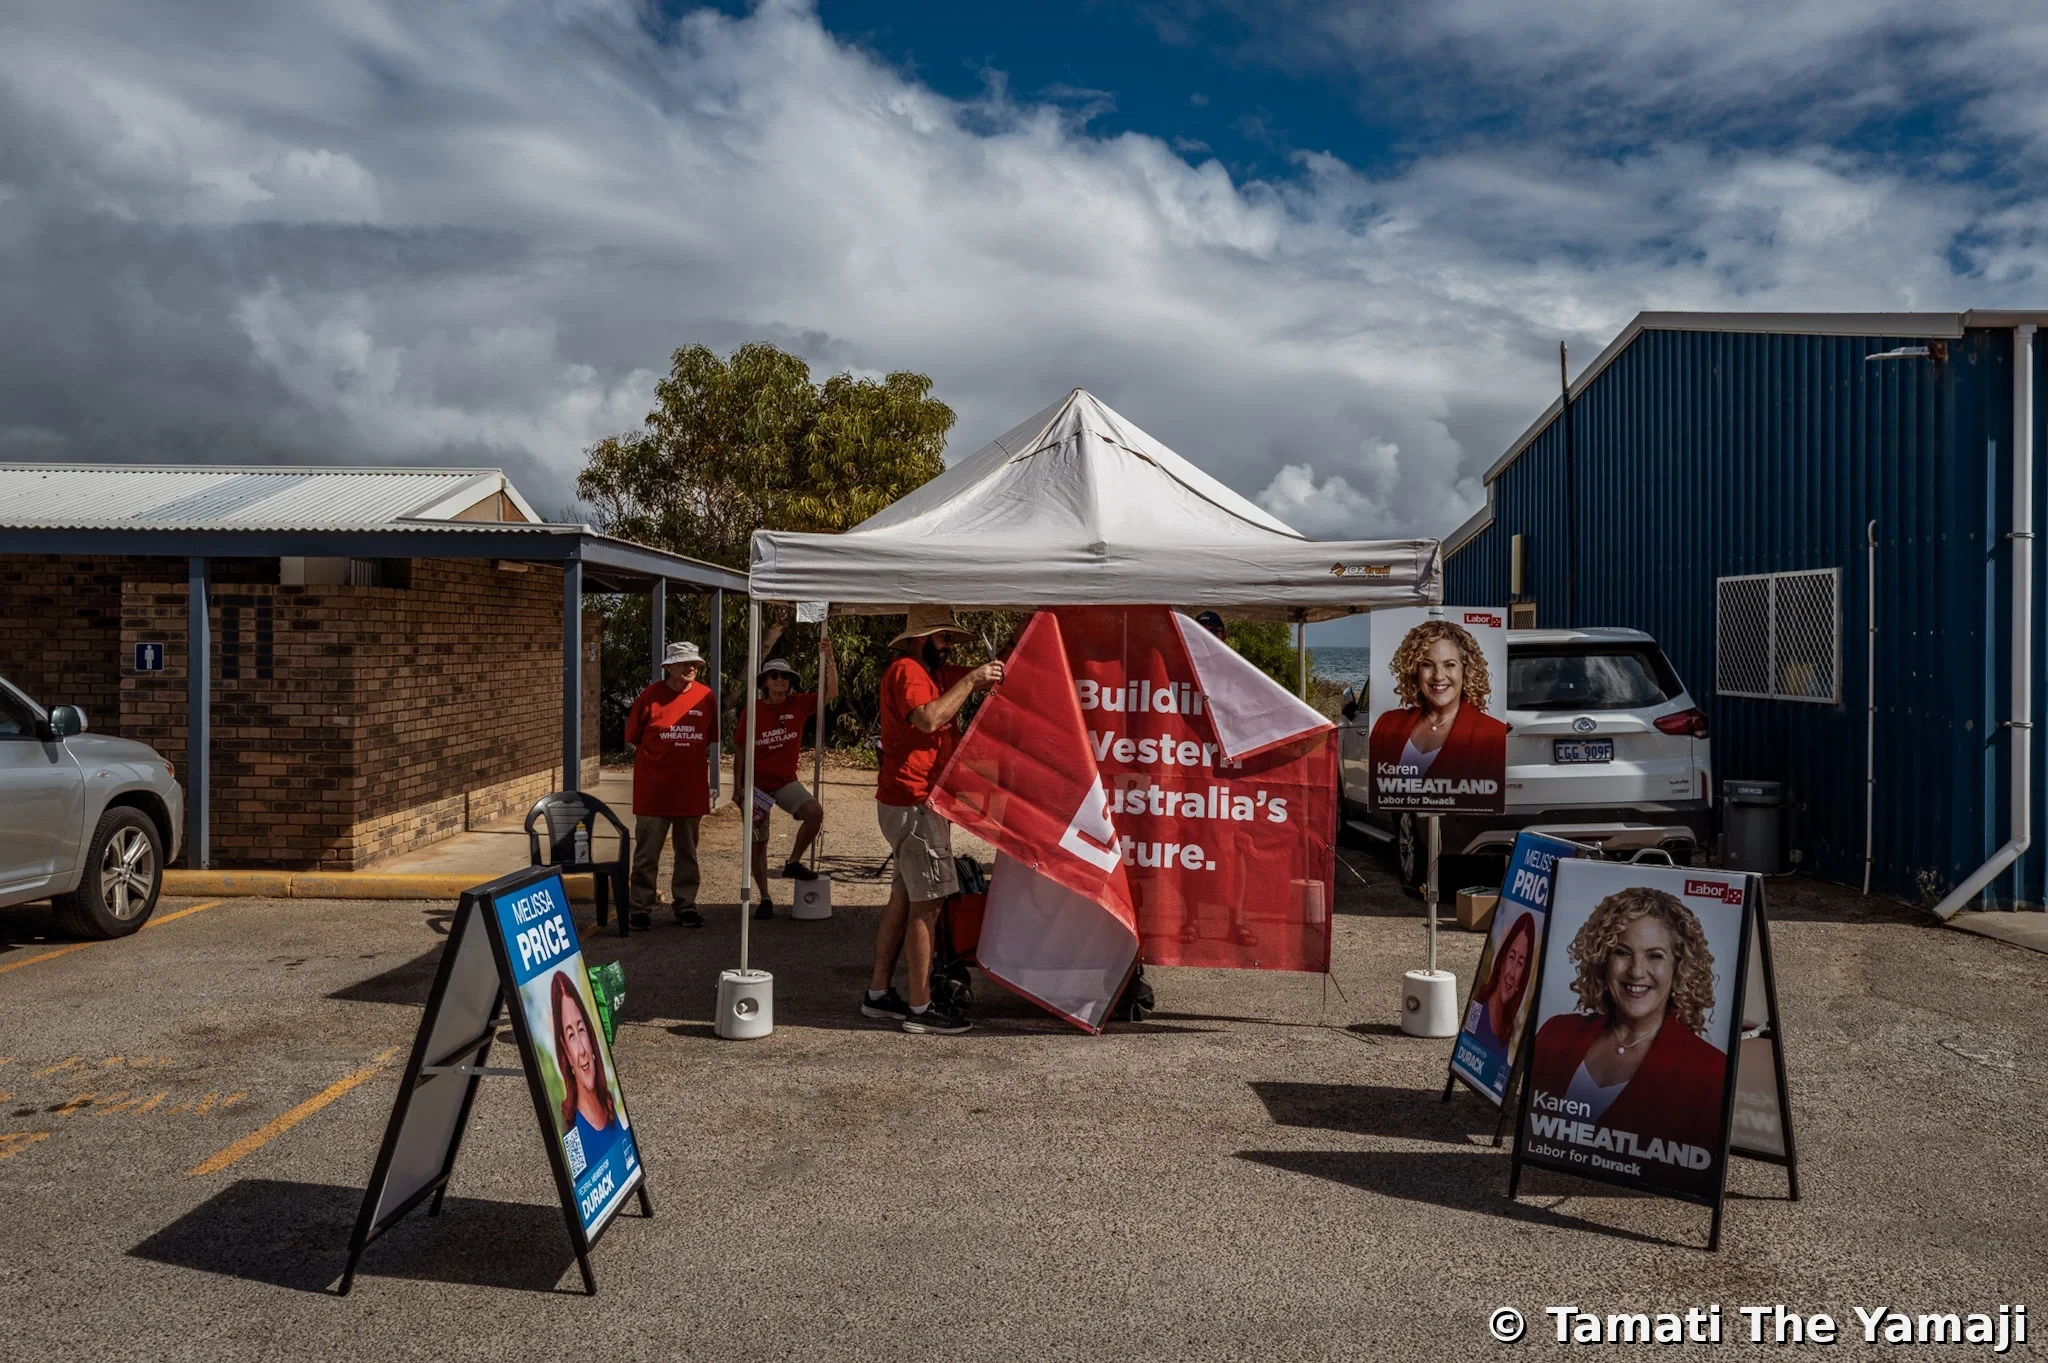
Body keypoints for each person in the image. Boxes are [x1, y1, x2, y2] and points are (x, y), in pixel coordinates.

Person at [1527, 886, 1728, 1190]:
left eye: (1655, 956)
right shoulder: (1556, 1033)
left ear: (1679, 968)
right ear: (1602, 960)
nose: (1636, 971)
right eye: (1622, 952)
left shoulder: (1711, 1070)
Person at [862, 605, 1002, 1035]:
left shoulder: (926, 672)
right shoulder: (907, 671)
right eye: (944, 640)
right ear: (924, 638)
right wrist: (972, 680)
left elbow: (994, 671)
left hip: (910, 800)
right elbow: (927, 719)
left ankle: (879, 994)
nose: (947, 649)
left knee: (904, 901)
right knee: (928, 907)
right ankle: (922, 1009)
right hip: (915, 802)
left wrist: (986, 671)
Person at [739, 642, 838, 919]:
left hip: (784, 782)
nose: (779, 681)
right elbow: (740, 748)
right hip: (756, 784)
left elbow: (831, 692)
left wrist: (829, 658)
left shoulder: (799, 704)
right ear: (765, 682)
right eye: (773, 676)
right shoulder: (753, 710)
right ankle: (764, 897)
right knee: (758, 842)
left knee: (814, 813)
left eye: (784, 677)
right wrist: (738, 787)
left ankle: (793, 862)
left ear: (791, 682)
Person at [623, 641, 715, 927]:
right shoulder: (650, 696)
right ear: (669, 667)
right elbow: (633, 736)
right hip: (654, 791)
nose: (691, 668)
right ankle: (640, 908)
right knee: (647, 853)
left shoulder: (706, 697)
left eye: (695, 664)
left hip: (690, 791)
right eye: (684, 663)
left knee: (687, 852)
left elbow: (709, 738)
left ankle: (685, 904)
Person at [1367, 618, 1507, 795]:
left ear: (1466, 670)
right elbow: (1375, 789)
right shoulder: (1387, 724)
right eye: (1427, 665)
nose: (1439, 676)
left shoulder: (1492, 733)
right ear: (1414, 670)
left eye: (1449, 665)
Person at [550, 970, 625, 1178]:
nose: (582, 1050)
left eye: (581, 1030)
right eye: (571, 1035)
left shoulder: (609, 1103)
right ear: (564, 1048)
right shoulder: (572, 1129)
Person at [1460, 909, 1537, 1076]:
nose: (1511, 973)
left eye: (1520, 963)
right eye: (1511, 957)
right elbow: (1466, 1044)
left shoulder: (1507, 1029)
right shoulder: (1478, 1005)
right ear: (1501, 961)